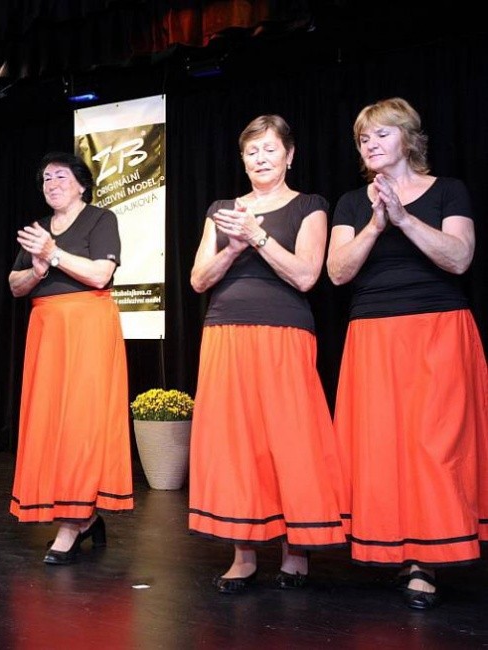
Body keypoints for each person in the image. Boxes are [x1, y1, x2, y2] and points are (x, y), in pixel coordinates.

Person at [327, 97, 488, 610]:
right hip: (373, 331)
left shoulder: (448, 190)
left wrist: (404, 218)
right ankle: (394, 545)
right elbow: (337, 272)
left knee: (434, 446)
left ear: (409, 138)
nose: (370, 144)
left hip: (438, 326)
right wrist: (376, 224)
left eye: (381, 134)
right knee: (382, 447)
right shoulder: (352, 203)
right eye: (363, 138)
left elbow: (459, 258)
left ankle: (426, 559)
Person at [187, 115, 347, 593]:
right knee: (235, 443)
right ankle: (243, 553)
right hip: (225, 332)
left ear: (289, 155)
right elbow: (198, 280)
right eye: (252, 151)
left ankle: (296, 549)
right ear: (242, 159)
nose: (261, 158)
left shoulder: (310, 206)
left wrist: (258, 237)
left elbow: (306, 276)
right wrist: (233, 248)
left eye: (270, 149)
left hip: (284, 332)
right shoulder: (222, 210)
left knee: (290, 441)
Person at [8, 151, 132, 565]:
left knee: (81, 421)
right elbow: (14, 284)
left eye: (60, 176)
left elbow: (100, 274)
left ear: (82, 184)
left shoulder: (100, 219)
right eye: (46, 178)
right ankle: (85, 517)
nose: (52, 183)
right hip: (47, 329)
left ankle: (74, 520)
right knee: (49, 422)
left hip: (87, 326)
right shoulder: (38, 229)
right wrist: (38, 270)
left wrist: (54, 253)